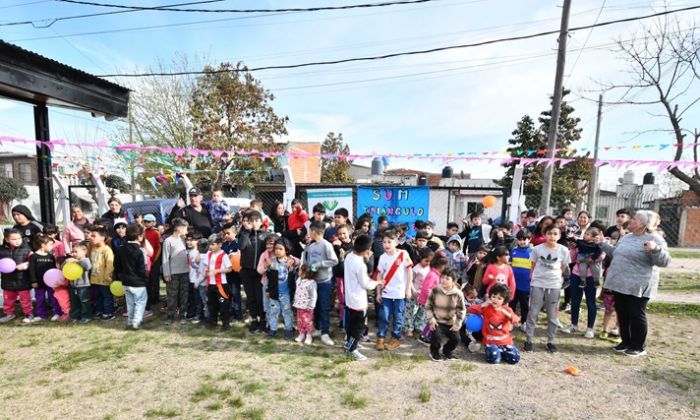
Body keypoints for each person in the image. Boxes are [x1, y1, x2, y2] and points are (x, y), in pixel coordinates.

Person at [601, 210, 670, 357]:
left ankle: (638, 346)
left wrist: (655, 249)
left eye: (634, 219)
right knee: (622, 313)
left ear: (643, 225)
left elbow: (664, 261)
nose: (630, 221)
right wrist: (603, 245)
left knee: (636, 315)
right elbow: (617, 253)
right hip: (619, 283)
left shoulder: (655, 238)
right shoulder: (627, 237)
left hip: (638, 285)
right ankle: (626, 342)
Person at [524, 224, 570, 353]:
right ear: (544, 235)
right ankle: (528, 339)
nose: (552, 236)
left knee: (552, 314)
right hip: (538, 284)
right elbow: (533, 265)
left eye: (555, 234)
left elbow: (564, 267)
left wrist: (555, 277)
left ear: (559, 236)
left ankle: (550, 341)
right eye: (549, 233)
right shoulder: (537, 249)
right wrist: (537, 277)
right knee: (533, 312)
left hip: (554, 285)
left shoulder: (564, 250)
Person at [561, 227, 605, 339]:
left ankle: (590, 328)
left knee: (591, 302)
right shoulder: (580, 244)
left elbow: (601, 257)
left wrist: (592, 256)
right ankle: (573, 325)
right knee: (575, 301)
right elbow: (572, 258)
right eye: (585, 234)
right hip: (576, 274)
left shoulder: (599, 246)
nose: (585, 236)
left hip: (591, 277)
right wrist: (572, 249)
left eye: (589, 234)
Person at [343, 234, 380, 361]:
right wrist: (378, 282)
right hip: (358, 301)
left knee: (351, 324)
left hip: (349, 298)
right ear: (366, 250)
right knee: (358, 327)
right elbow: (366, 284)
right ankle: (352, 350)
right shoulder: (360, 264)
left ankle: (349, 344)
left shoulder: (349, 257)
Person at [375, 229, 413, 351]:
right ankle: (381, 337)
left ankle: (395, 338)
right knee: (384, 316)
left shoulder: (403, 254)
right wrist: (378, 292)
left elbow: (409, 272)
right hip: (386, 293)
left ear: (396, 242)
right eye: (384, 242)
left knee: (398, 317)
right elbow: (379, 276)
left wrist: (408, 289)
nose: (386, 244)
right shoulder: (382, 257)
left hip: (400, 294)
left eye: (389, 242)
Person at [302, 221, 339, 346]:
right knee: (315, 307)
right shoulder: (311, 246)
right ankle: (317, 328)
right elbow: (308, 262)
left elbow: (334, 260)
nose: (308, 234)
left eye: (309, 231)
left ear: (314, 231)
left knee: (324, 307)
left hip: (324, 281)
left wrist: (319, 265)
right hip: (313, 281)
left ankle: (325, 332)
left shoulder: (326, 245)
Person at [468, 283, 521, 364]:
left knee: (515, 359)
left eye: (499, 298)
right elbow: (471, 309)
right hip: (490, 340)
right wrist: (483, 304)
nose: (495, 300)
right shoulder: (486, 308)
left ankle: (501, 351)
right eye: (493, 297)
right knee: (494, 359)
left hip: (505, 341)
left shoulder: (507, 309)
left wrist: (506, 313)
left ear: (504, 301)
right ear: (490, 297)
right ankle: (494, 351)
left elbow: (516, 319)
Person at [426, 268, 466, 361]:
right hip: (437, 321)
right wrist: (431, 319)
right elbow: (428, 306)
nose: (443, 280)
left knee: (456, 339)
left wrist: (457, 323)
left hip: (450, 322)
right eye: (442, 277)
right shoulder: (435, 290)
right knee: (436, 337)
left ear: (454, 281)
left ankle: (447, 351)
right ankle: (434, 353)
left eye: (447, 279)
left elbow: (461, 310)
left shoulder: (458, 293)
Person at [264, 238, 300, 340]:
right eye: (276, 249)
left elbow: (300, 262)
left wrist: (292, 260)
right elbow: (268, 278)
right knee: (273, 312)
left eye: (280, 249)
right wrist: (267, 290)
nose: (277, 251)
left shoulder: (290, 261)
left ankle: (288, 329)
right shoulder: (272, 262)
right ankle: (273, 329)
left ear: (286, 250)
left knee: (287, 312)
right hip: (274, 293)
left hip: (286, 293)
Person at [115, 224, 148, 330]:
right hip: (138, 282)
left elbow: (117, 265)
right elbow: (142, 268)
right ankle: (136, 322)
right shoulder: (140, 251)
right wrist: (145, 280)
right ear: (139, 236)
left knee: (130, 303)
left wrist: (120, 275)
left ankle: (130, 322)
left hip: (125, 281)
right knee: (140, 302)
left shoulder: (121, 249)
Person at [238, 211, 267, 332]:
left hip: (260, 272)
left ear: (261, 222)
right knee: (250, 297)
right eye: (251, 221)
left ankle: (263, 320)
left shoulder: (265, 235)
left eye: (256, 220)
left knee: (260, 297)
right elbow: (241, 246)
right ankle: (254, 319)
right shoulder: (244, 234)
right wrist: (245, 232)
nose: (254, 223)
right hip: (247, 271)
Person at [0, 229, 33, 323]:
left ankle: (28, 313)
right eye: (14, 239)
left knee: (25, 299)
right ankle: (8, 313)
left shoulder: (26, 249)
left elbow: (32, 261)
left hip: (22, 279)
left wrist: (26, 265)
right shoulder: (1, 250)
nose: (17, 241)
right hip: (7, 279)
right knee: (8, 299)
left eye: (19, 238)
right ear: (7, 239)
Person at [162, 218, 190, 324]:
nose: (186, 231)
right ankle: (170, 316)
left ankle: (183, 315)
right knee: (172, 295)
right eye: (185, 228)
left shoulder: (184, 240)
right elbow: (165, 259)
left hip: (185, 272)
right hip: (173, 273)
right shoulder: (168, 241)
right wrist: (166, 273)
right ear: (179, 228)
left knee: (184, 295)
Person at [417, 253, 450, 344]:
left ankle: (427, 335)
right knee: (430, 320)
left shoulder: (437, 274)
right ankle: (424, 336)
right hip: (429, 302)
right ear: (441, 266)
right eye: (445, 267)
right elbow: (427, 289)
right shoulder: (432, 275)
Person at [205, 233, 234, 331]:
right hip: (210, 284)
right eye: (210, 244)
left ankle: (226, 323)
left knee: (223, 304)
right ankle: (213, 321)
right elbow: (206, 265)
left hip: (220, 285)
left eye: (213, 244)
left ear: (220, 244)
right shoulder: (208, 254)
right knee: (211, 304)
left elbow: (229, 269)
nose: (211, 247)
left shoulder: (224, 255)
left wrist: (217, 271)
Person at [28, 234, 60, 322]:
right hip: (39, 283)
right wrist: (33, 281)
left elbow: (54, 269)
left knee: (54, 298)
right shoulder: (34, 256)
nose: (52, 247)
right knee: (40, 299)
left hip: (50, 284)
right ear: (43, 245)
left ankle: (57, 313)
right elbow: (31, 270)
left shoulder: (51, 256)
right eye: (50, 244)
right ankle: (41, 314)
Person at [403, 248, 433, 338]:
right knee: (411, 312)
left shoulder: (430, 268)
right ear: (420, 258)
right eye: (426, 260)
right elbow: (410, 280)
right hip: (414, 295)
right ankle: (408, 328)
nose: (428, 263)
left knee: (422, 312)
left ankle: (419, 326)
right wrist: (413, 291)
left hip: (424, 295)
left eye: (430, 261)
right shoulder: (416, 269)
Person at [89, 227, 115, 321]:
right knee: (97, 296)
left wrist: (108, 275)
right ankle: (99, 311)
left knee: (106, 296)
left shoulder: (106, 250)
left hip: (104, 279)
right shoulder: (93, 249)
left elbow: (110, 264)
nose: (91, 238)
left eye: (93, 236)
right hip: (95, 278)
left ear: (102, 237)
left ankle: (108, 312)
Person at [509, 229, 533, 331]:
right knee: (512, 304)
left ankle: (524, 322)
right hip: (514, 284)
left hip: (526, 285)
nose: (522, 242)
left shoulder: (532, 252)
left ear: (529, 239)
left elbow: (534, 267)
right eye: (520, 239)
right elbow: (509, 266)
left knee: (524, 305)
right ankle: (511, 321)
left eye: (524, 239)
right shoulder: (513, 251)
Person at [332, 224, 354, 329]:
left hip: (352, 277)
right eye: (339, 234)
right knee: (342, 299)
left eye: (344, 233)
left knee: (351, 298)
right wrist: (338, 247)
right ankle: (342, 319)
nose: (342, 236)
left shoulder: (354, 245)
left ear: (349, 232)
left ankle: (351, 318)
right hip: (340, 275)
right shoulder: (336, 245)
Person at [220, 223, 242, 322]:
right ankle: (229, 313)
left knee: (235, 294)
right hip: (225, 274)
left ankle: (238, 315)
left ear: (235, 233)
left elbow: (239, 257)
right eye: (224, 234)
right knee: (227, 294)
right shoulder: (223, 245)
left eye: (228, 233)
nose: (226, 236)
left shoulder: (238, 243)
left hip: (235, 274)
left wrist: (234, 255)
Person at [66, 242, 92, 323]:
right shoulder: (72, 261)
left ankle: (86, 316)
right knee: (74, 301)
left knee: (84, 301)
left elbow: (87, 266)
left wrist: (77, 261)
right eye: (72, 252)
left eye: (76, 252)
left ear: (84, 252)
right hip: (73, 285)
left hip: (83, 285)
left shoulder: (85, 260)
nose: (73, 254)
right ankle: (75, 316)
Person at [293, 264, 318, 345]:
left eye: (300, 270)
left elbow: (313, 296)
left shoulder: (311, 283)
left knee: (307, 321)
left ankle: (308, 335)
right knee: (300, 321)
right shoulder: (299, 280)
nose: (298, 271)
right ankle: (301, 334)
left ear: (305, 273)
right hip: (299, 306)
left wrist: (311, 306)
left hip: (307, 307)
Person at [142, 214, 162, 312]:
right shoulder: (143, 232)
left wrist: (154, 259)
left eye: (149, 221)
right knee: (148, 280)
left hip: (154, 260)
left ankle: (156, 297)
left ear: (154, 222)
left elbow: (158, 247)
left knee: (154, 279)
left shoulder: (156, 233)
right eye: (145, 221)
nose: (147, 223)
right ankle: (149, 297)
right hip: (146, 260)